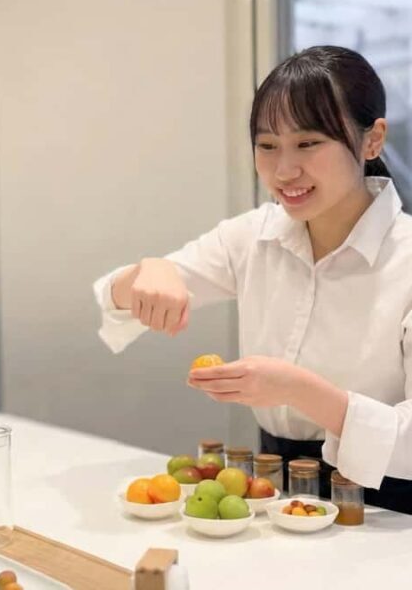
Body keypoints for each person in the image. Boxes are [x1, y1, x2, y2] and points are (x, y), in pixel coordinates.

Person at [94, 46, 412, 513]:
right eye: (267, 146)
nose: (284, 171)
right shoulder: (254, 235)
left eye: (308, 143)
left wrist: (300, 390)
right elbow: (115, 298)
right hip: (273, 499)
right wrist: (150, 270)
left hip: (390, 515)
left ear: (372, 140)